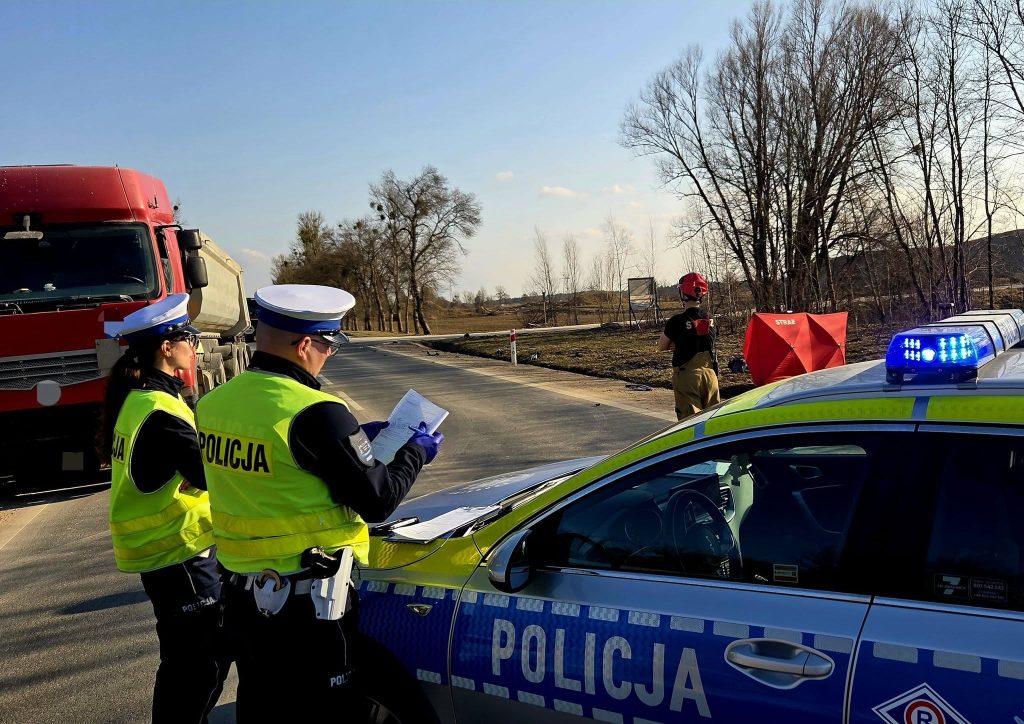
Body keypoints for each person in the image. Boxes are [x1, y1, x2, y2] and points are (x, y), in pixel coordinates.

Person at [195, 283, 443, 721]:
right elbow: (378, 499)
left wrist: (351, 440)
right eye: (329, 344)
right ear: (306, 344)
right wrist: (415, 452)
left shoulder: (215, 403)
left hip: (243, 599)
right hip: (306, 607)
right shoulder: (315, 411)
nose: (331, 354)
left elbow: (279, 464)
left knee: (262, 704)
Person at [99, 294, 228, 724]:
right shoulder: (160, 409)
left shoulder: (139, 399)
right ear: (167, 347)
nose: (196, 346)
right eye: (188, 338)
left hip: (167, 553)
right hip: (179, 552)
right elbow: (213, 478)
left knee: (193, 658)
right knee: (198, 665)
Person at [658, 272, 720, 420]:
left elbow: (661, 346)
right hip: (710, 376)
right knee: (713, 421)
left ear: (683, 293)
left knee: (690, 424)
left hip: (688, 377)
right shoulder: (710, 318)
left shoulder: (676, 321)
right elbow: (704, 339)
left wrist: (674, 344)